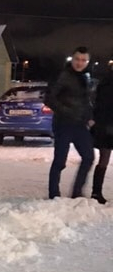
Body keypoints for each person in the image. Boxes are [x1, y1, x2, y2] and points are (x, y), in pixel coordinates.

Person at [45, 46, 94, 199]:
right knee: (60, 160)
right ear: (72, 59)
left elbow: (85, 101)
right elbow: (49, 98)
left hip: (79, 125)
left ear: (87, 62)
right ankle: (54, 194)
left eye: (84, 60)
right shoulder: (63, 75)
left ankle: (77, 192)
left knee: (88, 157)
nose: (80, 63)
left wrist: (89, 117)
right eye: (77, 59)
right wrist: (66, 112)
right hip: (63, 124)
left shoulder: (85, 77)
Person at [91, 62, 113, 204]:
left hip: (105, 125)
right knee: (104, 158)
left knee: (104, 159)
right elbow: (102, 105)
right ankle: (96, 192)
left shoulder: (104, 81)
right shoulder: (107, 83)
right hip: (106, 126)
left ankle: (96, 192)